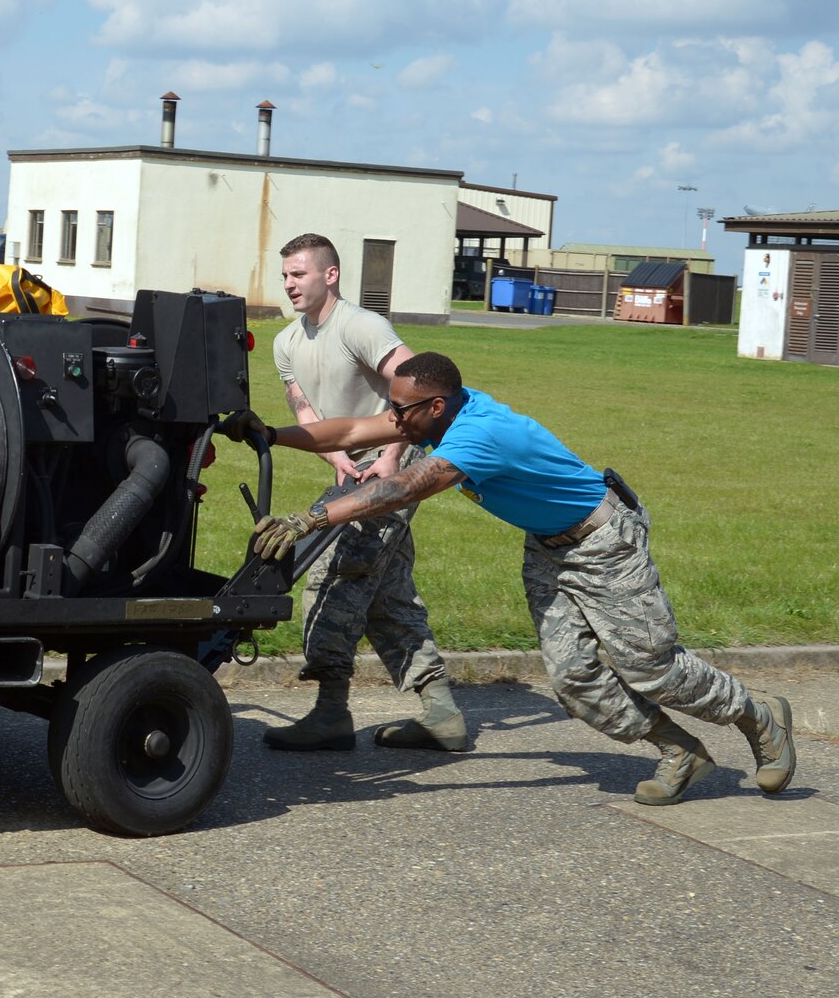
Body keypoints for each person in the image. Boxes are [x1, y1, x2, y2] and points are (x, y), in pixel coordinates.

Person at [223, 352, 795, 805]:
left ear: (437, 406)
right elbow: (349, 431)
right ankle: (680, 752)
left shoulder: (480, 434)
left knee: (650, 668)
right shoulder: (432, 416)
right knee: (574, 681)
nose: (393, 421)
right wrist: (271, 434)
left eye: (402, 411)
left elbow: (402, 487)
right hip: (549, 551)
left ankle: (759, 715)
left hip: (604, 541)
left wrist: (313, 517)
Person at [263, 233, 468, 752]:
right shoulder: (285, 343)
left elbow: (418, 392)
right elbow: (307, 413)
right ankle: (442, 712)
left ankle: (330, 712)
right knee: (387, 591)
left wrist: (392, 457)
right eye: (285, 275)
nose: (289, 284)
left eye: (299, 274)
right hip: (349, 464)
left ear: (329, 275)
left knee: (337, 576)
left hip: (397, 461)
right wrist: (336, 459)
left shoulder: (361, 326)